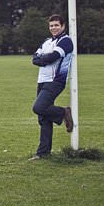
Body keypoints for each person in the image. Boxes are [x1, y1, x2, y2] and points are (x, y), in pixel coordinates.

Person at [29, 14, 74, 160]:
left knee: (38, 107)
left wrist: (43, 59)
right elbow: (34, 59)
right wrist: (43, 59)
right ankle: (43, 153)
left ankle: (63, 113)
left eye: (56, 25)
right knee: (43, 118)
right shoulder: (47, 42)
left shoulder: (66, 41)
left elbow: (52, 57)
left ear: (63, 26)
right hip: (42, 80)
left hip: (55, 80)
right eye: (51, 26)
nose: (53, 28)